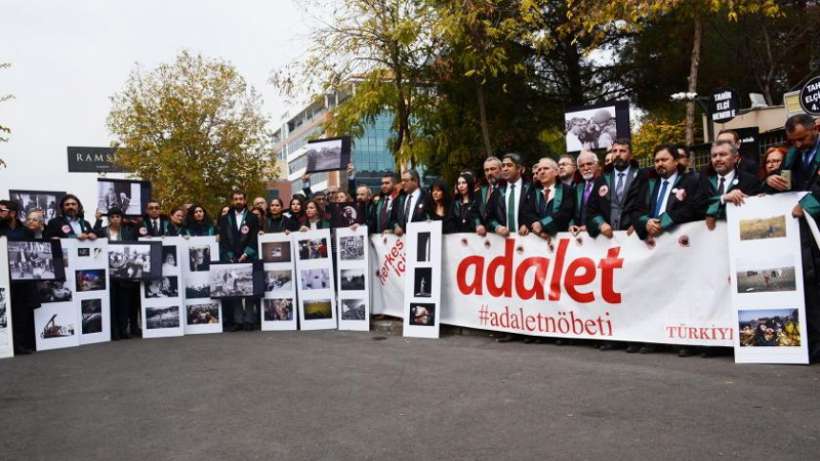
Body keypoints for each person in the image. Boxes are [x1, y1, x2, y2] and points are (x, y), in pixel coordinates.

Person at [764, 114, 820, 361]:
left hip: (813, 220)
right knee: (811, 289)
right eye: (793, 141)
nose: (798, 145)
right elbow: (785, 184)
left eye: (802, 139)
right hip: (806, 236)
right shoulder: (793, 155)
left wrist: (808, 204)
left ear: (815, 129)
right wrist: (771, 181)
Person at [628, 144, 705, 243]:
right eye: (656, 161)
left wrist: (666, 219)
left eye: (664, 160)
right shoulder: (649, 184)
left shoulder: (691, 181)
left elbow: (694, 207)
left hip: (680, 243)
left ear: (676, 161)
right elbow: (636, 210)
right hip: (653, 244)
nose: (660, 164)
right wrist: (646, 223)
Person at [93, 207, 140, 339]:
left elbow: (135, 249)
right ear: (109, 218)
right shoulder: (102, 231)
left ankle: (124, 330)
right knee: (112, 303)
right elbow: (92, 234)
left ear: (121, 219)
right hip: (107, 273)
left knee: (124, 303)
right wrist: (97, 221)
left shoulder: (128, 232)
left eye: (118, 217)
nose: (115, 219)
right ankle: (114, 332)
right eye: (112, 217)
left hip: (124, 273)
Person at [218, 191, 260, 332]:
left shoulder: (253, 217)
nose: (238, 201)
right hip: (231, 257)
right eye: (235, 199)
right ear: (232, 200)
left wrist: (246, 253)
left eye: (240, 199)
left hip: (248, 256)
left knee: (248, 288)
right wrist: (230, 255)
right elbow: (223, 239)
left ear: (245, 200)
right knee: (234, 289)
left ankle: (249, 320)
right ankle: (238, 321)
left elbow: (254, 238)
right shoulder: (225, 218)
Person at [0, 200, 38, 354]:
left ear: (13, 213)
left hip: (22, 278)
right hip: (2, 278)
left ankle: (20, 344)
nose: (0, 213)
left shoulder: (26, 231)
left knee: (22, 311)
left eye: (2, 210)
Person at [585, 139, 642, 239]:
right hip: (608, 240)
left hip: (634, 237)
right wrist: (601, 224)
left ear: (631, 156)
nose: (618, 154)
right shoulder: (601, 179)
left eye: (622, 151)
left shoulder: (641, 177)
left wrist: (639, 222)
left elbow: (649, 206)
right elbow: (591, 210)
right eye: (614, 151)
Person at [702, 141, 762, 229]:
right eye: (714, 156)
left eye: (722, 155)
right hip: (710, 236)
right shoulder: (704, 180)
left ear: (735, 158)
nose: (717, 159)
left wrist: (751, 200)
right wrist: (723, 198)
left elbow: (755, 211)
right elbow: (697, 207)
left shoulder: (750, 180)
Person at [523, 158, 576, 237]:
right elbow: (529, 213)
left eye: (546, 168)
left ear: (556, 172)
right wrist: (537, 228)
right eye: (539, 170)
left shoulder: (567, 190)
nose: (542, 172)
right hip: (537, 238)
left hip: (561, 238)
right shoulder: (533, 193)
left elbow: (565, 213)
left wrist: (542, 224)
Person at [486, 153, 531, 238]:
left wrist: (528, 224)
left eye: (509, 165)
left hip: (528, 242)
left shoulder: (531, 189)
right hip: (503, 244)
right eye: (503, 166)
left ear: (519, 169)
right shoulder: (497, 192)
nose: (505, 169)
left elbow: (538, 213)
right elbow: (488, 217)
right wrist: (497, 227)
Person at [569, 151, 598, 234]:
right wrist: (571, 225)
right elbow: (571, 212)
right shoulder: (576, 188)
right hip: (579, 236)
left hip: (600, 235)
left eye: (589, 164)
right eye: (582, 166)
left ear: (596, 165)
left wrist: (590, 226)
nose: (586, 168)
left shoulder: (605, 185)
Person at [393, 169, 429, 236]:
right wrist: (395, 226)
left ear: (415, 181)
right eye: (402, 180)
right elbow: (393, 219)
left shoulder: (427, 198)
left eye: (406, 180)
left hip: (420, 239)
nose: (403, 183)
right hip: (402, 241)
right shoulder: (399, 199)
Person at [478, 156, 504, 225]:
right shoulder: (479, 193)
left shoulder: (508, 189)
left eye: (492, 169)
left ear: (501, 170)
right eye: (486, 170)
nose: (489, 173)